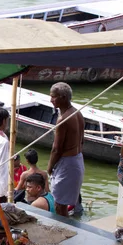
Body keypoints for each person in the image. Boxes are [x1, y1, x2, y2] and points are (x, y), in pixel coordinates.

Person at [47, 82, 85, 217]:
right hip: (77, 159)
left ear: (63, 97)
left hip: (67, 163)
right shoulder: (77, 112)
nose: (51, 100)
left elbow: (56, 149)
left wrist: (50, 167)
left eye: (53, 97)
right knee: (63, 205)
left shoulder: (63, 119)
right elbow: (82, 141)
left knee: (60, 206)